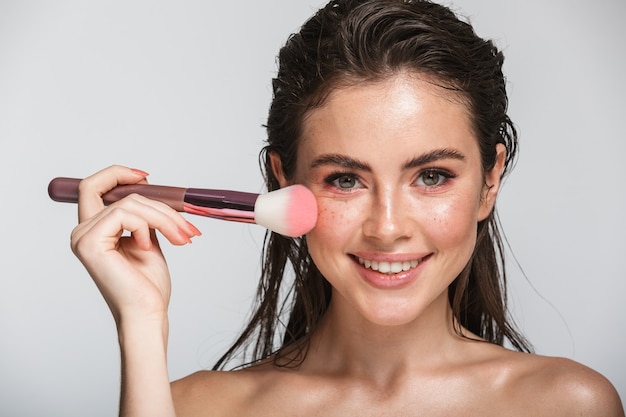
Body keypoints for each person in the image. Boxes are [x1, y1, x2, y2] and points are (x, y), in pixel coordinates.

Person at [70, 0, 624, 416]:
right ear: (282, 182)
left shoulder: (569, 404)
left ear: (490, 180)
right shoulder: (192, 407)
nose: (386, 228)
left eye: (431, 176)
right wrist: (140, 326)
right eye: (344, 179)